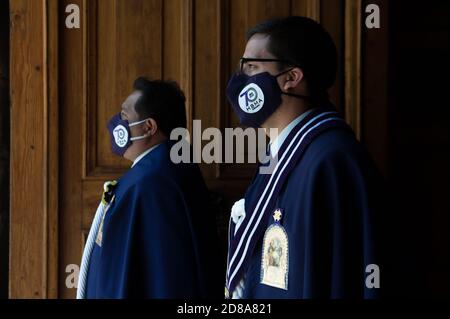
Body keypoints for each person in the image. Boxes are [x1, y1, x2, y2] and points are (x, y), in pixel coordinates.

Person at [225, 16, 387, 299]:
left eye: (251, 67)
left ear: (291, 78)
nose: (241, 81)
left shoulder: (333, 159)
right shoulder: (280, 153)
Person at [77, 77, 222, 298]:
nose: (117, 122)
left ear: (148, 127)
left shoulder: (150, 184)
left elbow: (160, 276)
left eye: (124, 116)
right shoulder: (169, 168)